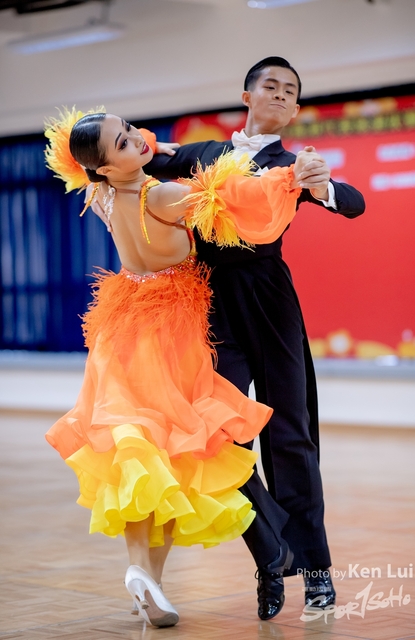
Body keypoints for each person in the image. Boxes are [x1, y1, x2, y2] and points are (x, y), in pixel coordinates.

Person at [44, 107, 311, 627]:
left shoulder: (99, 195)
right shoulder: (163, 195)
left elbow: (92, 156)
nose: (137, 140)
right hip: (167, 330)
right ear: (104, 166)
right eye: (123, 143)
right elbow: (234, 199)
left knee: (139, 452)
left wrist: (143, 146)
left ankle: (146, 577)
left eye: (130, 129)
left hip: (118, 328)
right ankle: (149, 576)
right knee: (171, 453)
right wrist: (288, 176)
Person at [144, 56, 366, 619]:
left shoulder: (295, 164)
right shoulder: (203, 154)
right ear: (247, 95)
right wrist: (128, 142)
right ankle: (271, 556)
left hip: (268, 297)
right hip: (209, 300)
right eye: (271, 85)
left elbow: (354, 204)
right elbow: (140, 160)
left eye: (290, 90)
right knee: (221, 439)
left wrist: (325, 185)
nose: (280, 94)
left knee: (290, 433)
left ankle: (315, 571)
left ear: (295, 109)